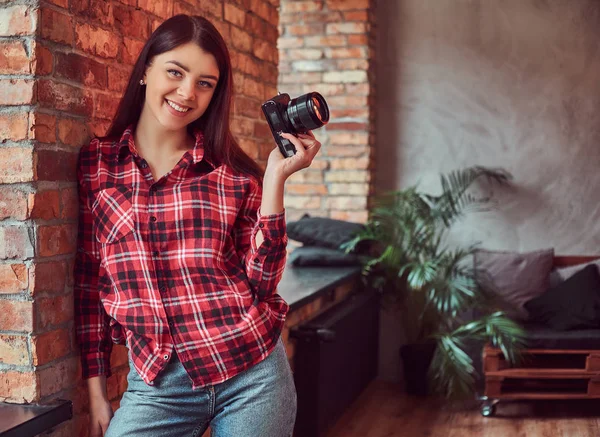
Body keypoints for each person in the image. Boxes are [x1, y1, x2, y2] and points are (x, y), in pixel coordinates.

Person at [74, 14, 321, 437]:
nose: (187, 92)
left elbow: (261, 284)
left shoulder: (233, 176)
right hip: (157, 386)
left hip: (252, 374)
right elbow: (90, 278)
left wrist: (276, 181)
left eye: (205, 83)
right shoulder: (98, 165)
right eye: (175, 71)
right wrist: (96, 389)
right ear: (146, 70)